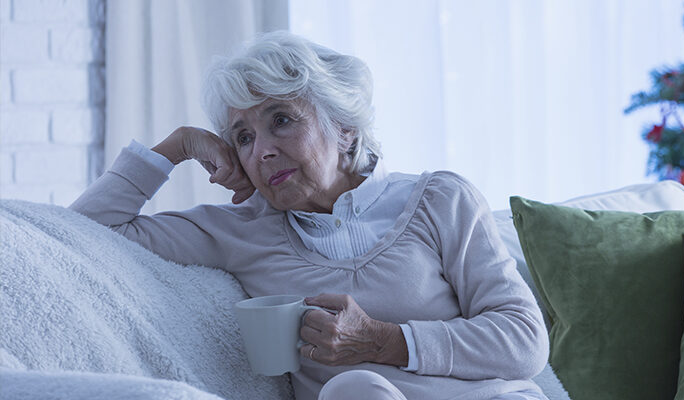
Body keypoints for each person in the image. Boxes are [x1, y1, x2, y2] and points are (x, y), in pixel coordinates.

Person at [70, 31, 549, 400]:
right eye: (243, 137)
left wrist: (383, 340)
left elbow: (524, 341)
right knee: (353, 390)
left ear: (343, 127)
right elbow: (82, 233)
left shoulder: (440, 200)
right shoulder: (242, 229)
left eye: (281, 120)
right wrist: (176, 146)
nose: (262, 151)